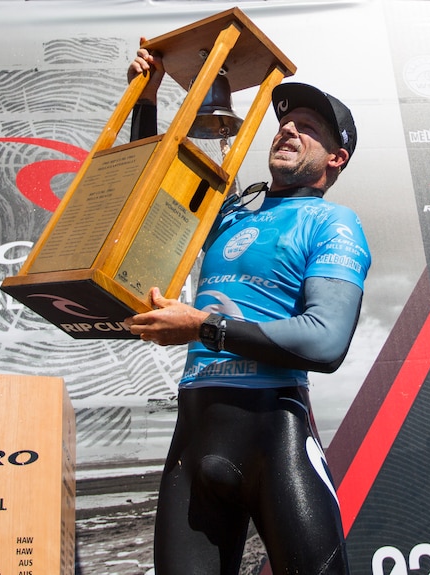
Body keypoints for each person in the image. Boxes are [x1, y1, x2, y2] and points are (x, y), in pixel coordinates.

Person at [123, 41, 370, 575]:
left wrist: (203, 326)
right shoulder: (229, 215)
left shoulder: (333, 223)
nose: (288, 129)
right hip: (194, 435)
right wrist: (148, 96)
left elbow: (325, 342)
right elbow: (149, 190)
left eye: (309, 127)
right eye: (285, 121)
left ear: (336, 158)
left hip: (273, 438)